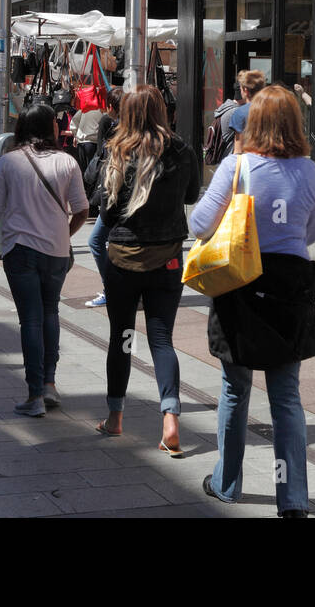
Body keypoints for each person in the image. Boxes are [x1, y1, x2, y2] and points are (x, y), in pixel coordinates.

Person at [190, 84, 315, 517]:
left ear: (254, 123)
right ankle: (293, 499)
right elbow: (311, 234)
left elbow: (198, 223)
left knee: (235, 388)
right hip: (291, 287)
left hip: (241, 286)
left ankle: (227, 484)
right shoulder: (310, 170)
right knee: (286, 398)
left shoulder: (237, 166)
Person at [95, 85, 200, 454]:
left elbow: (105, 212)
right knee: (161, 340)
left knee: (122, 338)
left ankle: (115, 418)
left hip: (123, 260)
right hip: (167, 258)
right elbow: (191, 196)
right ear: (161, 110)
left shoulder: (118, 150)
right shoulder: (181, 149)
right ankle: (170, 417)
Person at [0, 103, 89, 417]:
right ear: (49, 129)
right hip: (56, 251)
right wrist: (64, 234)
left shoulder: (9, 162)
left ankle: (34, 395)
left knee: (30, 319)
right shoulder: (67, 162)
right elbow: (83, 210)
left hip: (20, 250)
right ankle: (50, 384)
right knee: (50, 312)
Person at [84, 88, 122, 309]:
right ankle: (119, 289)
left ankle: (112, 290)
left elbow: (105, 162)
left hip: (115, 197)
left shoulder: (114, 129)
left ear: (110, 106)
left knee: (96, 240)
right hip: (123, 198)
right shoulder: (123, 128)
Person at [224, 69, 267, 153]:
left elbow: (238, 150)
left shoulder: (240, 113)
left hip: (250, 162)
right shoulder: (273, 109)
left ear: (245, 90)